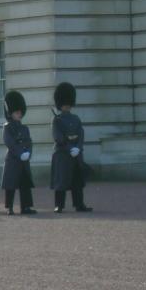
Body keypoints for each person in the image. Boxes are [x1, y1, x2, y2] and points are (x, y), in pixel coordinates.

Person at [50, 82, 93, 213]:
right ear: (60, 104)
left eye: (68, 103)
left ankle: (79, 204)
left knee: (77, 182)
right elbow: (58, 137)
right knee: (61, 182)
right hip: (63, 154)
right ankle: (59, 205)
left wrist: (78, 148)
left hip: (76, 154)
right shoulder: (56, 120)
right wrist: (70, 148)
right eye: (65, 103)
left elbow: (81, 133)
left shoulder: (76, 118)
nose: (67, 105)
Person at [1, 90, 36, 215]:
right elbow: (9, 142)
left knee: (25, 184)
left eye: (20, 112)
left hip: (23, 161)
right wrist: (20, 152)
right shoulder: (7, 127)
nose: (19, 114)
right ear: (10, 113)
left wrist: (28, 153)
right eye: (17, 112)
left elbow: (29, 142)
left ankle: (26, 207)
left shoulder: (24, 128)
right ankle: (9, 207)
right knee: (10, 186)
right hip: (13, 160)